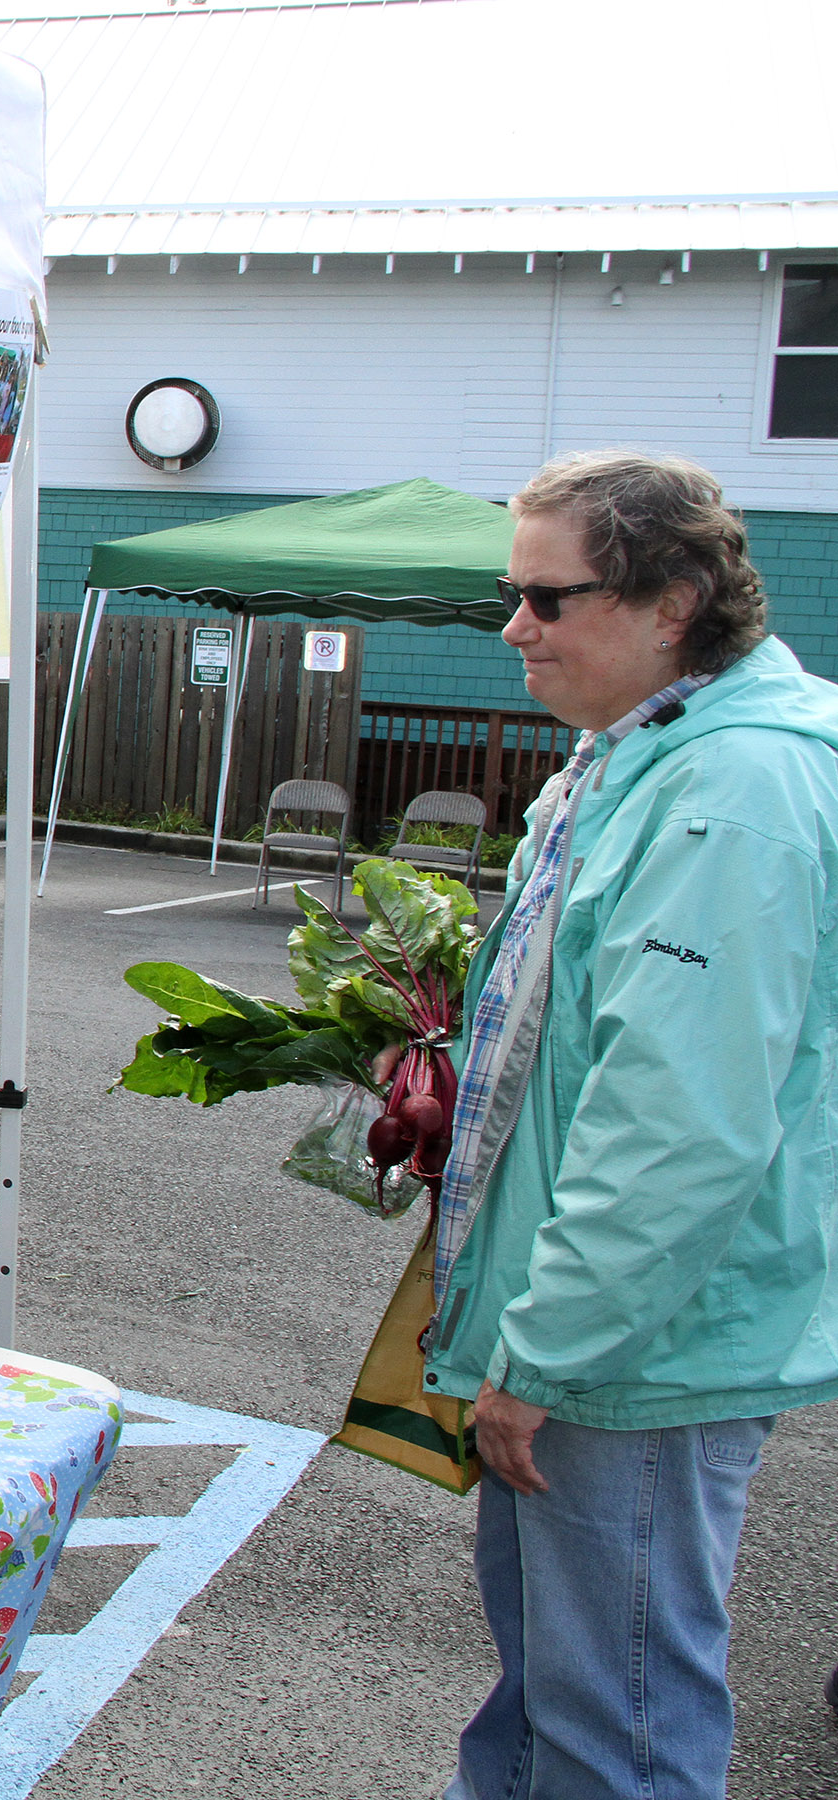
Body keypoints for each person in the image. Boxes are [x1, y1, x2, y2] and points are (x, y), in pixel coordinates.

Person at [427, 451, 838, 1800]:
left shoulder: (731, 794)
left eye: (549, 598)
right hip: (597, 1336)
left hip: (630, 1359)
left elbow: (680, 1126)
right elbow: (592, 1032)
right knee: (550, 1696)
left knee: (619, 1730)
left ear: (675, 603)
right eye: (512, 593)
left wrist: (548, 1353)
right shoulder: (635, 752)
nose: (516, 627)